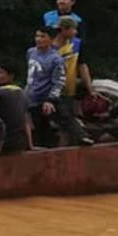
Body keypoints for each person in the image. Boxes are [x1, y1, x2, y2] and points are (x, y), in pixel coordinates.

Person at [52, 17, 93, 146]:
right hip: (52, 91)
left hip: (69, 90)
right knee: (64, 119)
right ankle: (81, 136)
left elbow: (82, 66)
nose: (76, 32)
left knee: (65, 125)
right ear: (64, 29)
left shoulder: (76, 44)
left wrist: (90, 87)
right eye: (74, 29)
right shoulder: (49, 47)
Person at [26, 26, 66, 148]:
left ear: (50, 39)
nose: (38, 39)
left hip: (45, 98)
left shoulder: (56, 59)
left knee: (47, 129)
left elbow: (59, 81)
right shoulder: (30, 52)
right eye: (37, 36)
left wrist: (50, 99)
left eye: (42, 36)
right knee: (35, 130)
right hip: (31, 96)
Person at [0, 63, 33, 152]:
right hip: (19, 142)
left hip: (2, 142)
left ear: (10, 76)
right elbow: (26, 121)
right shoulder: (21, 92)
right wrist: (30, 144)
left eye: (0, 73)